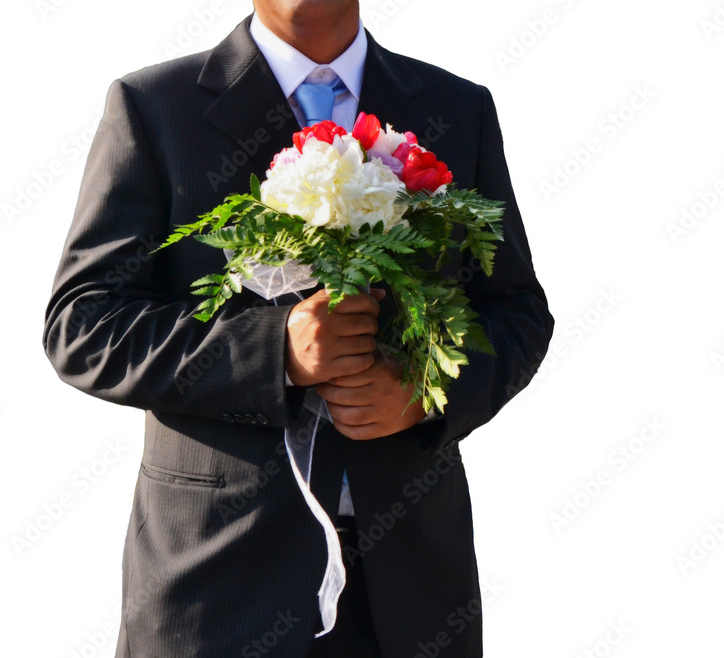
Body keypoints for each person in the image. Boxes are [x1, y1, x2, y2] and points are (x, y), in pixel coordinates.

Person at [42, 1, 554, 655]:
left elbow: (516, 312)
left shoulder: (457, 107)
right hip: (220, 587)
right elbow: (83, 323)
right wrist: (272, 351)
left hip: (408, 590)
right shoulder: (153, 106)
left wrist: (426, 393)